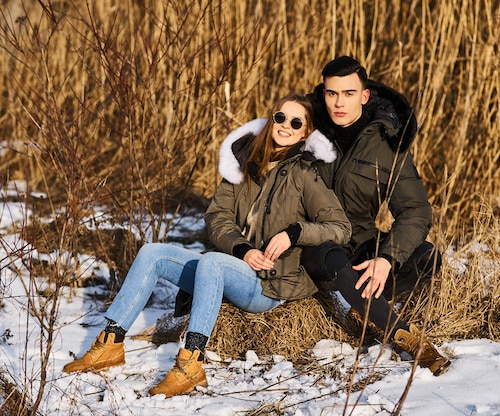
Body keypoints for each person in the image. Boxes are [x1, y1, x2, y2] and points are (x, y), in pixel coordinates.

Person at [62, 94, 351, 397]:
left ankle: (191, 364)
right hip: (235, 265)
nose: (286, 127)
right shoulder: (245, 163)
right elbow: (217, 217)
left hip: (270, 283)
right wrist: (242, 249)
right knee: (152, 253)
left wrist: (294, 233)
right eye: (281, 118)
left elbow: (340, 228)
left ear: (305, 132)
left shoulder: (305, 175)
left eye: (296, 123)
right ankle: (110, 343)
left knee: (212, 261)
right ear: (272, 119)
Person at [303, 56, 451, 376]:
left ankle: (365, 308)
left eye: (349, 93)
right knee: (333, 256)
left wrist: (386, 257)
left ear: (365, 95)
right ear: (323, 92)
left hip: (359, 241)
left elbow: (415, 211)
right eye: (332, 93)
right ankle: (408, 340)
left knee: (427, 257)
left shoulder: (386, 145)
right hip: (313, 244)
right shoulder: (304, 130)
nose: (339, 102)